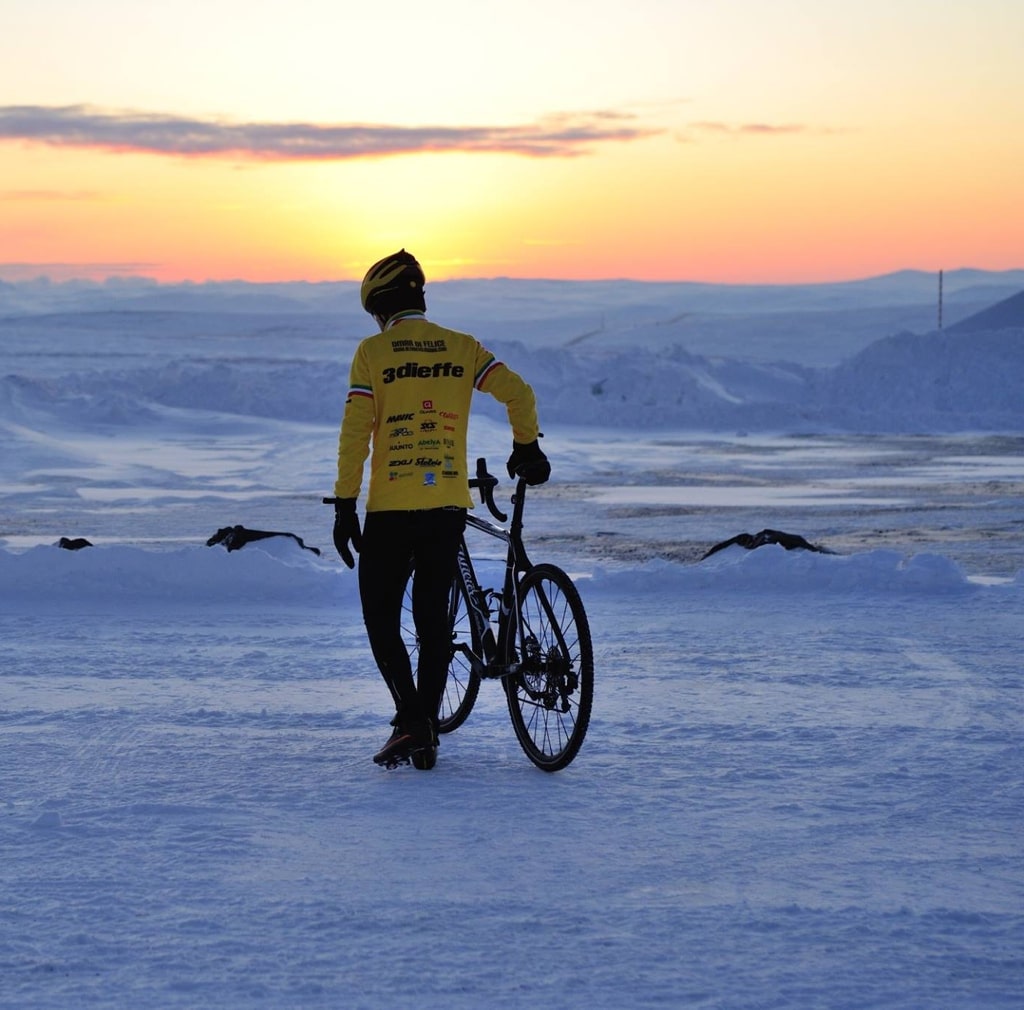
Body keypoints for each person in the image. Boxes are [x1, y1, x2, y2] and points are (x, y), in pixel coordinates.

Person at [327, 250, 549, 770]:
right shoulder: (464, 347)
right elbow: (519, 393)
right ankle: (422, 729)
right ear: (419, 298)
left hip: (390, 508)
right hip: (447, 504)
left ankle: (414, 721)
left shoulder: (372, 353)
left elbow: (356, 433)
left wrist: (344, 503)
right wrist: (525, 447)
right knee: (432, 623)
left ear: (381, 308)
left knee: (381, 617)